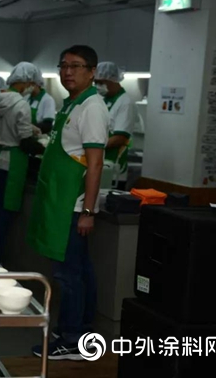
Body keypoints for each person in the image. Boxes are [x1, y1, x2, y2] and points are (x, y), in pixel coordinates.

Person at [28, 45, 109, 360]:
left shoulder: (92, 107)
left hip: (74, 208)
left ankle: (73, 340)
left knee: (68, 275)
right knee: (79, 270)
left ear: (92, 72)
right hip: (61, 204)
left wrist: (87, 211)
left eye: (76, 66)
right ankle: (83, 330)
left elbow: (95, 164)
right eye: (63, 65)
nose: (67, 72)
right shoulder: (71, 104)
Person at [0, 62, 43, 263]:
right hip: (12, 164)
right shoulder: (21, 104)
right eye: (33, 83)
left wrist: (29, 128)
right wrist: (45, 147)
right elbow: (25, 143)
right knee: (3, 216)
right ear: (28, 81)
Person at [95, 62, 137, 191]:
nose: (98, 86)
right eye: (96, 82)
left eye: (101, 83)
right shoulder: (102, 100)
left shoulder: (125, 102)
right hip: (97, 163)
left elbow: (120, 138)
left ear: (113, 80)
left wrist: (92, 146)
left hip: (113, 167)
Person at [27, 70, 56, 135]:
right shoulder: (27, 98)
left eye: (31, 84)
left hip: (39, 136)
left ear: (37, 84)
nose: (27, 86)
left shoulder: (47, 100)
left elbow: (47, 125)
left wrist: (29, 128)